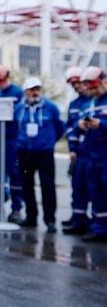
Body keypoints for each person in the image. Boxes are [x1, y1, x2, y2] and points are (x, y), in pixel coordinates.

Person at [14, 77, 64, 233]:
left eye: (37, 89)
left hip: (44, 153)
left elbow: (60, 127)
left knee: (47, 186)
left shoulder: (50, 107)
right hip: (25, 153)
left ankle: (50, 220)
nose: (35, 92)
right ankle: (31, 217)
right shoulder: (18, 109)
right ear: (25, 92)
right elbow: (15, 127)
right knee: (27, 186)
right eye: (32, 89)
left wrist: (48, 142)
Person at [0, 64, 24, 221]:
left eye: (0, 80)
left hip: (11, 139)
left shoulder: (17, 93)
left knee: (14, 173)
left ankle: (16, 208)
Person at [76, 66, 107, 243]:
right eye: (90, 88)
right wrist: (81, 125)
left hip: (105, 155)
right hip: (91, 155)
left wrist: (101, 125)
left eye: (95, 87)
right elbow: (74, 125)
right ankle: (100, 229)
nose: (93, 91)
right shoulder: (91, 103)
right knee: (96, 193)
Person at [63, 67, 92, 234]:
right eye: (73, 84)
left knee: (95, 189)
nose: (76, 86)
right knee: (78, 188)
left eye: (78, 82)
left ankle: (96, 224)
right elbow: (70, 129)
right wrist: (72, 150)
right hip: (79, 153)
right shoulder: (74, 104)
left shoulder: (93, 101)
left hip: (95, 152)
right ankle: (78, 220)